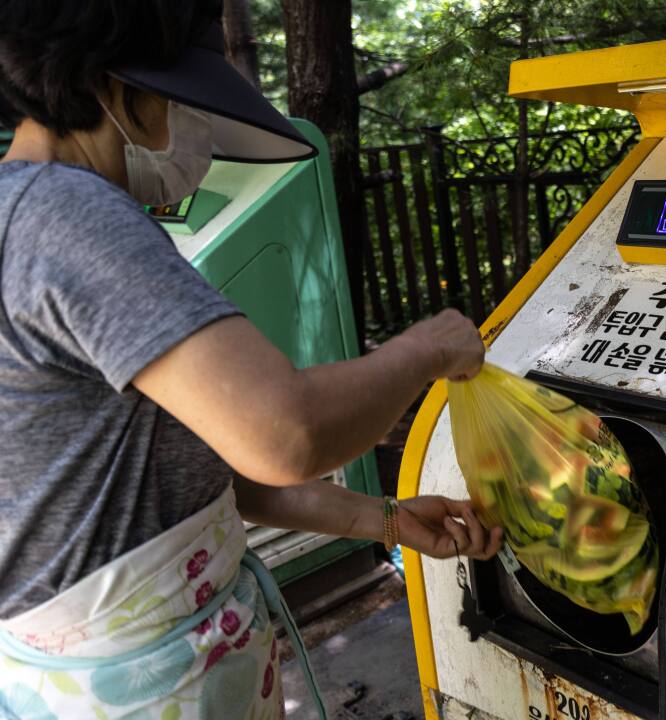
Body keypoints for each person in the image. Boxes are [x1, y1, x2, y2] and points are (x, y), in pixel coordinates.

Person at [0, 2, 502, 717]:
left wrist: (387, 520)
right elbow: (284, 434)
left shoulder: (18, 213)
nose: (193, 130)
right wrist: (426, 349)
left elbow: (202, 477)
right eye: (181, 102)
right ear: (116, 90)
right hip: (141, 690)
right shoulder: (69, 214)